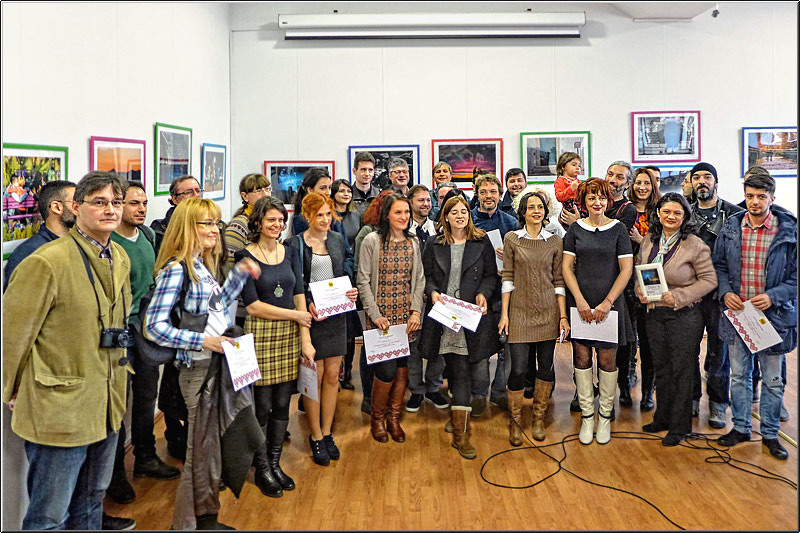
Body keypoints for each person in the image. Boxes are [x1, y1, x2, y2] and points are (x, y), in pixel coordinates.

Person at [3, 172, 132, 530]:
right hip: (60, 408)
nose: (110, 210)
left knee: (91, 502)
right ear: (76, 207)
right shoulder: (46, 261)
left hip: (107, 402)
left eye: (116, 202)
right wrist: (12, 388)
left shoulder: (119, 256)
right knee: (49, 516)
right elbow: (13, 336)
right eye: (99, 202)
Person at [144, 197, 260, 530]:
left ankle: (204, 521)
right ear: (187, 227)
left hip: (216, 367)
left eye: (215, 223)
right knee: (199, 456)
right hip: (198, 370)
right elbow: (154, 326)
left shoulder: (200, 266)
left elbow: (216, 306)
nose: (214, 230)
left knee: (209, 452)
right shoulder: (175, 270)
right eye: (206, 223)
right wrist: (202, 341)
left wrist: (238, 276)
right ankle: (186, 526)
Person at [107, 181, 180, 508]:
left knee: (147, 397)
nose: (141, 209)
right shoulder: (110, 242)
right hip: (120, 334)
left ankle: (146, 457)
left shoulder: (149, 237)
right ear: (119, 205)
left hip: (147, 331)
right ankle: (114, 473)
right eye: (134, 203)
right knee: (117, 404)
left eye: (144, 203)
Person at [713, 172, 796, 460]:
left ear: (772, 198)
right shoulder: (732, 227)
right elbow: (719, 265)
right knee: (739, 376)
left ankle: (771, 434)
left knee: (772, 380)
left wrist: (774, 296)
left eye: (761, 197)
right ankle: (740, 427)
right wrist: (725, 291)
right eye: (750, 196)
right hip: (739, 317)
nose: (755, 202)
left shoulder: (788, 231)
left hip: (774, 318)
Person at [237, 196, 314, 496]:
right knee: (262, 405)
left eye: (281, 220)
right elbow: (253, 306)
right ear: (258, 222)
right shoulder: (245, 256)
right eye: (271, 219)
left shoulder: (291, 251)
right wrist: (296, 316)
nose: (277, 225)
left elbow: (299, 294)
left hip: (290, 335)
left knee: (283, 402)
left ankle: (274, 462)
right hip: (260, 334)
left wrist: (305, 339)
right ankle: (261, 468)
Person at [419, 195, 498, 459]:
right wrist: (432, 293)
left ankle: (459, 422)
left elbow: (490, 275)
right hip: (445, 318)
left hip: (471, 316)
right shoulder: (434, 243)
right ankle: (460, 430)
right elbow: (427, 276)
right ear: (446, 217)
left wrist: (484, 293)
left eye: (464, 211)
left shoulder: (481, 241)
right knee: (457, 370)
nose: (460, 216)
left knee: (471, 370)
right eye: (454, 212)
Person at [636, 193, 717, 446]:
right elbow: (640, 271)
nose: (671, 217)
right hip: (654, 314)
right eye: (666, 212)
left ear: (685, 217)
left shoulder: (695, 244)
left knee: (682, 371)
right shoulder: (649, 240)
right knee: (661, 367)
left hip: (685, 316)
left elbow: (709, 280)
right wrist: (640, 291)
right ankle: (662, 417)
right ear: (658, 214)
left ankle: (680, 427)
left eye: (677, 213)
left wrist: (680, 296)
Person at [562, 178, 633, 445]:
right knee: (581, 358)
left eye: (601, 197)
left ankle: (604, 416)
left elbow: (626, 269)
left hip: (610, 304)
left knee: (607, 360)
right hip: (581, 302)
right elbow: (566, 267)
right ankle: (587, 416)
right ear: (584, 201)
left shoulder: (619, 229)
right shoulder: (575, 229)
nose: (597, 202)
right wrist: (579, 300)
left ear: (608, 201)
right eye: (591, 198)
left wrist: (608, 302)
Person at [288, 192, 357, 466]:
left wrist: (349, 287)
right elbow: (295, 282)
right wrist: (308, 301)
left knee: (332, 376)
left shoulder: (337, 239)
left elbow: (347, 263)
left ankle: (327, 432)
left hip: (336, 315)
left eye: (329, 214)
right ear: (307, 216)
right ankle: (315, 435)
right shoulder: (295, 244)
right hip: (312, 317)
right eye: (320, 215)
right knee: (314, 377)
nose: (326, 220)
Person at [499, 191, 568, 444]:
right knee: (518, 369)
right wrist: (504, 314)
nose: (536, 211)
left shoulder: (555, 241)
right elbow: (507, 277)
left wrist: (563, 316)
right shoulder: (512, 239)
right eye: (531, 207)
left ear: (545, 211)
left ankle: (538, 418)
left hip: (549, 313)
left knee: (545, 367)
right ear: (523, 212)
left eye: (540, 207)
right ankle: (516, 421)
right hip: (518, 312)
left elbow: (558, 280)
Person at [357, 193, 425, 443]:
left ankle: (394, 418)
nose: (404, 217)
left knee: (402, 368)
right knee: (385, 371)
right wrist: (375, 315)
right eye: (398, 212)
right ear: (387, 215)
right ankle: (377, 418)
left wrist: (416, 310)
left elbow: (419, 279)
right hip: (380, 318)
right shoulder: (372, 241)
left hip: (406, 317)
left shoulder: (413, 242)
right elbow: (363, 281)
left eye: (406, 212)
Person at [149, 174, 203, 462]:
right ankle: (175, 434)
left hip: (198, 325)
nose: (194, 195)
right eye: (187, 193)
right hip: (176, 324)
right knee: (173, 384)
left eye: (197, 190)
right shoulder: (160, 232)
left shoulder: (204, 239)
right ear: (173, 199)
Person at [687, 162, 745, 426]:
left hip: (721, 296)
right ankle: (690, 399)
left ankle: (719, 404)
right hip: (690, 294)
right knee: (688, 349)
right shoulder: (684, 213)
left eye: (707, 177)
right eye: (697, 177)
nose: (702, 181)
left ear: (716, 182)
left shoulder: (735, 215)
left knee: (718, 353)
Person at [470, 174, 517, 415]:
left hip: (505, 294)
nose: (488, 196)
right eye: (483, 192)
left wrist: (509, 257)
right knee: (479, 349)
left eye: (493, 192)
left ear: (500, 194)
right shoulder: (467, 220)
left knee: (508, 349)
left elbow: (522, 257)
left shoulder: (511, 222)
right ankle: (479, 394)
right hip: (476, 295)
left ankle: (499, 392)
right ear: (476, 194)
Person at [405, 184, 448, 412]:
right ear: (410, 202)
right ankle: (416, 390)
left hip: (436, 294)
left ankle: (433, 387)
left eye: (428, 200)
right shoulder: (404, 230)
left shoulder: (438, 229)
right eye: (420, 200)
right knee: (412, 343)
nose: (425, 204)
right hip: (411, 295)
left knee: (438, 342)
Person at [623, 167, 662, 410]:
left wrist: (641, 240)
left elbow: (666, 244)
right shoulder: (623, 210)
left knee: (649, 337)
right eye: (638, 182)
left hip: (650, 277)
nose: (642, 187)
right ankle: (627, 380)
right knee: (628, 335)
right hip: (626, 277)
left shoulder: (660, 211)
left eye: (647, 183)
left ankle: (649, 390)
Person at [3, 179, 75, 291]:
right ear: (56, 207)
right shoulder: (29, 255)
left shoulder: (76, 243)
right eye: (76, 203)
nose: (83, 208)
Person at [223, 173, 272, 326]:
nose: (265, 194)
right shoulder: (238, 226)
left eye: (267, 189)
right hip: (244, 306)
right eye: (259, 191)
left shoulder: (266, 223)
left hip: (266, 301)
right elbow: (228, 267)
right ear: (245, 196)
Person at [331, 178, 364, 391]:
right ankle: (334, 372)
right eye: (341, 191)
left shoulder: (355, 215)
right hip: (331, 275)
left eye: (348, 191)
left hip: (350, 271)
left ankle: (347, 372)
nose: (346, 194)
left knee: (350, 328)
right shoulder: (329, 216)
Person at [150, 175, 203, 253]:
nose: (196, 195)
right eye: (189, 192)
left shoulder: (214, 224)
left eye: (198, 191)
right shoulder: (161, 229)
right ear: (175, 199)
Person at [554, 152, 587, 230]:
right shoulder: (560, 180)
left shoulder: (578, 181)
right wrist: (571, 189)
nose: (577, 167)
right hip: (570, 208)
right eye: (574, 165)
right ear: (563, 167)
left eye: (579, 165)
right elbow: (559, 197)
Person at [351, 152, 380, 218]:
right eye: (363, 170)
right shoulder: (347, 197)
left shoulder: (380, 196)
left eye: (370, 170)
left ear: (373, 172)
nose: (367, 174)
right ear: (354, 171)